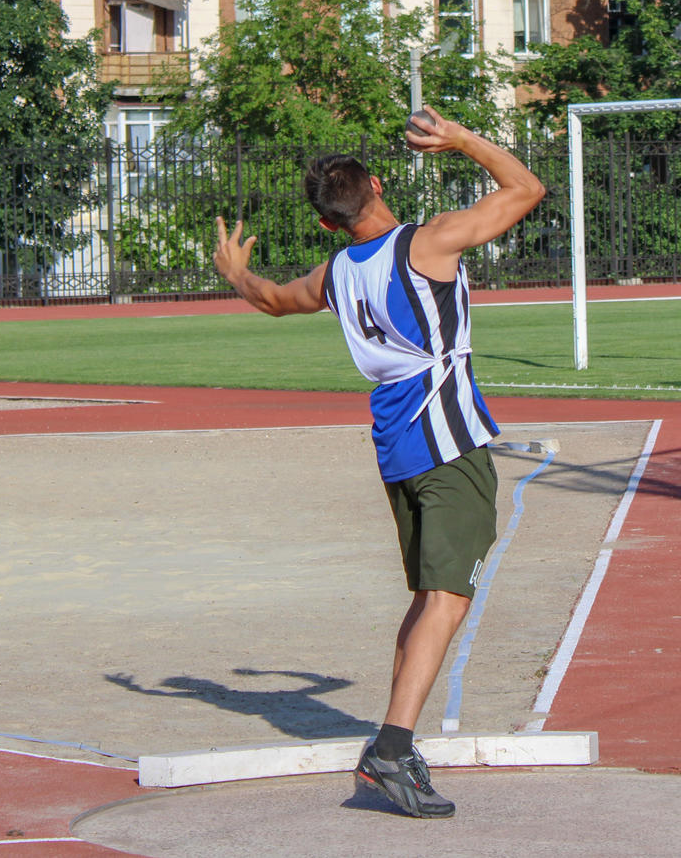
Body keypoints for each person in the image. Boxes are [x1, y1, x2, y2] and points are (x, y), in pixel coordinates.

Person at [211, 106, 545, 820]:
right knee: (449, 596)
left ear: (329, 223)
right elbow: (526, 189)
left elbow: (272, 299)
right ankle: (391, 750)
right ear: (380, 182)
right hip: (447, 438)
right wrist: (460, 138)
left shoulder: (335, 272)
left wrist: (238, 273)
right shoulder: (427, 243)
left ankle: (396, 742)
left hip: (395, 440)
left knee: (430, 595)